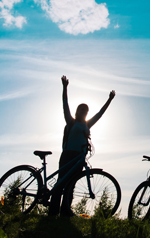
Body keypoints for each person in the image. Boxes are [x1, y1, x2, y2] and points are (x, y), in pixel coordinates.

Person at [48, 75, 115, 217]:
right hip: (68, 155)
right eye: (81, 110)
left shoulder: (87, 124)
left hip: (79, 156)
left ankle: (65, 211)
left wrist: (109, 99)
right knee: (60, 184)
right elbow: (65, 104)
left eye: (86, 111)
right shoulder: (70, 121)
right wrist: (65, 88)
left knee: (71, 185)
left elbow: (100, 114)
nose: (84, 112)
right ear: (77, 111)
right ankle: (53, 212)